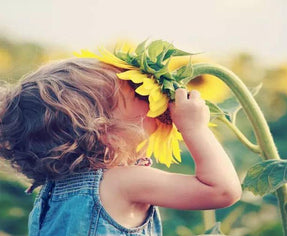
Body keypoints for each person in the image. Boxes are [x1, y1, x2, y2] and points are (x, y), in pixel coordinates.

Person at [0, 57, 242, 236]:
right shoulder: (122, 182)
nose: (150, 100)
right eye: (137, 95)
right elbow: (221, 190)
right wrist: (195, 128)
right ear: (107, 132)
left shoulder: (51, 193)